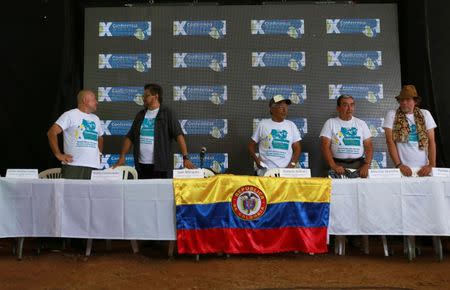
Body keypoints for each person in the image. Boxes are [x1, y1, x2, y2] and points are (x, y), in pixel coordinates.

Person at [114, 83, 194, 178]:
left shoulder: (167, 113)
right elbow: (130, 137)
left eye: (147, 95)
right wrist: (122, 156)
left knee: (161, 192)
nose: (144, 98)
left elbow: (179, 135)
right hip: (141, 165)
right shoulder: (140, 115)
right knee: (144, 192)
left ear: (156, 96)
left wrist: (185, 158)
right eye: (143, 96)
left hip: (161, 166)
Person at [47, 89, 104, 179]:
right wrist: (58, 154)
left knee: (91, 193)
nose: (96, 102)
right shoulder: (70, 115)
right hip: (74, 165)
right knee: (70, 193)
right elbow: (52, 132)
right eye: (94, 100)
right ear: (85, 100)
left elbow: (100, 138)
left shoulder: (96, 118)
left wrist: (100, 154)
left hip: (93, 166)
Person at [383, 85, 437, 176]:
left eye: (408, 100)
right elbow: (389, 141)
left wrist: (431, 165)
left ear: (415, 101)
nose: (404, 102)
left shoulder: (425, 114)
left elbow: (431, 141)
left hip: (423, 169)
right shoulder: (392, 114)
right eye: (401, 100)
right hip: (402, 170)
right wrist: (399, 165)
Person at [320, 94, 373, 178]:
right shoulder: (330, 123)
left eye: (352, 105)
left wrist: (366, 165)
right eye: (345, 105)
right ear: (338, 108)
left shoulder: (361, 123)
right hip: (337, 165)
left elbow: (369, 147)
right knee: (336, 190)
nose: (349, 108)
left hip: (359, 165)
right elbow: (324, 147)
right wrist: (334, 166)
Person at [248, 95, 301, 176]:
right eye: (281, 107)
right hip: (265, 173)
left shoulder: (291, 125)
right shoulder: (263, 124)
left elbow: (297, 148)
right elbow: (251, 145)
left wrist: (292, 165)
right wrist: (257, 160)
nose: (284, 110)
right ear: (272, 109)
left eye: (286, 107)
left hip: (285, 173)